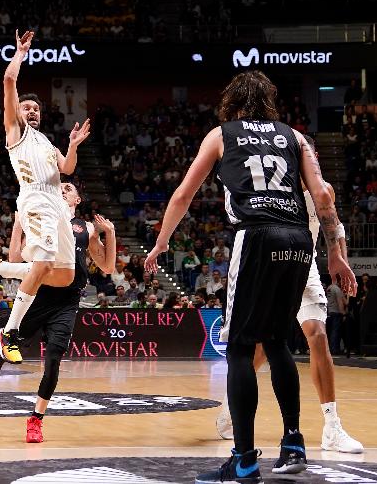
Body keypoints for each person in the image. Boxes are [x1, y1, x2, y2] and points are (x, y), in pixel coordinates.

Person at [146, 71, 356, 481]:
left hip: (256, 234)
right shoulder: (295, 138)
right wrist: (334, 254)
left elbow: (184, 193)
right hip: (298, 240)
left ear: (233, 102)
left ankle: (243, 458)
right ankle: (293, 441)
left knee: (241, 349)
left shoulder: (222, 134)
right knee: (276, 342)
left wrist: (160, 244)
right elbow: (324, 197)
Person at [0, 182, 117, 443]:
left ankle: (36, 420)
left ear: (77, 199)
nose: (62, 188)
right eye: (58, 186)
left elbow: (107, 266)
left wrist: (111, 234)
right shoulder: (43, 222)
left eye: (68, 187)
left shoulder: (87, 228)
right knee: (4, 350)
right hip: (39, 295)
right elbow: (17, 257)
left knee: (53, 360)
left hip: (68, 302)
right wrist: (18, 222)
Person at [212, 177, 363, 455]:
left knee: (318, 336)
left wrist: (342, 262)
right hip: (274, 266)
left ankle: (332, 427)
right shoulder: (274, 187)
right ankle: (232, 402)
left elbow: (335, 228)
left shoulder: (323, 189)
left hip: (306, 269)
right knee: (262, 348)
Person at [0, 29, 90, 364]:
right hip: (35, 200)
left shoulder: (45, 141)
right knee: (42, 265)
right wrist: (21, 52)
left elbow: (68, 169)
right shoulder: (16, 133)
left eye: (35, 108)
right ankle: (9, 332)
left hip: (57, 204)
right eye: (25, 107)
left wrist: (72, 145)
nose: (31, 111)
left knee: (65, 274)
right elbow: (8, 79)